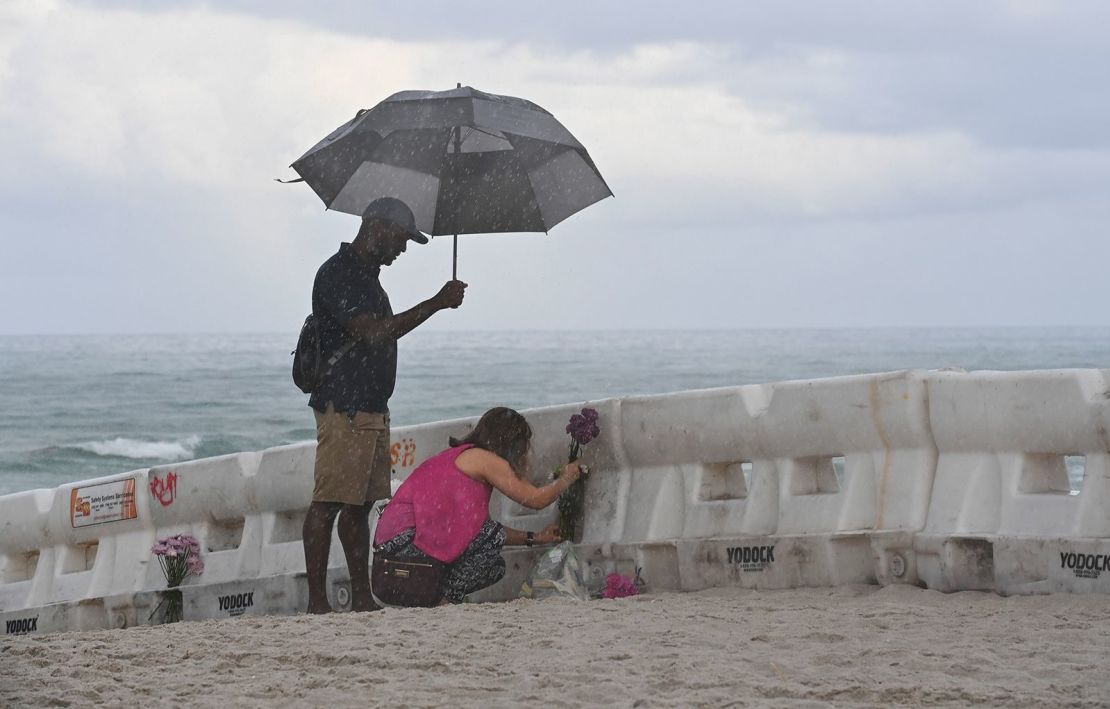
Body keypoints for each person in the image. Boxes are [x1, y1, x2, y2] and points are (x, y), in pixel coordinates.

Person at [303, 196, 467, 614]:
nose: (402, 248)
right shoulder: (340, 273)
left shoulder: (367, 277)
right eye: (401, 238)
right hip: (346, 406)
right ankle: (318, 603)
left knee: (358, 506)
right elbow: (374, 333)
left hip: (370, 406)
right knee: (329, 503)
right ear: (376, 227)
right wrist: (435, 303)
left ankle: (361, 598)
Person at [373, 407, 583, 605]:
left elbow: (478, 530)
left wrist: (535, 538)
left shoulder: (458, 456)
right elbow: (536, 500)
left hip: (389, 556)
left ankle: (437, 599)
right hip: (404, 546)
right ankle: (445, 601)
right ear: (512, 443)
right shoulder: (484, 459)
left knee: (495, 568)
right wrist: (567, 478)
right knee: (491, 537)